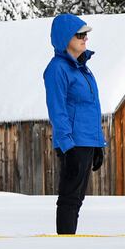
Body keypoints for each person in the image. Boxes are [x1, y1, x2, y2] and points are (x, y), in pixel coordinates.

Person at [44, 14, 106, 235]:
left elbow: (91, 109)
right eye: (79, 35)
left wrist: (98, 144)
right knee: (70, 196)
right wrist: (66, 146)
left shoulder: (84, 69)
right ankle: (65, 243)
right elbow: (57, 110)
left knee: (78, 198)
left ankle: (70, 240)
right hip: (73, 143)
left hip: (87, 141)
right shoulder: (57, 69)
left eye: (86, 35)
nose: (84, 39)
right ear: (64, 37)